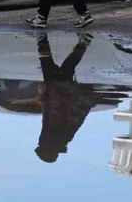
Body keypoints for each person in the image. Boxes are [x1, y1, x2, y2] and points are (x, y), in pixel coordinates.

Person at [34, 33, 98, 163]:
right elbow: (61, 113)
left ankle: (81, 43)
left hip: (57, 94)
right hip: (60, 94)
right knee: (54, 65)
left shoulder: (62, 137)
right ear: (49, 148)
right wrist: (51, 94)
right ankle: (41, 38)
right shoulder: (58, 136)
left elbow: (50, 114)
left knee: (62, 67)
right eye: (41, 147)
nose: (39, 143)